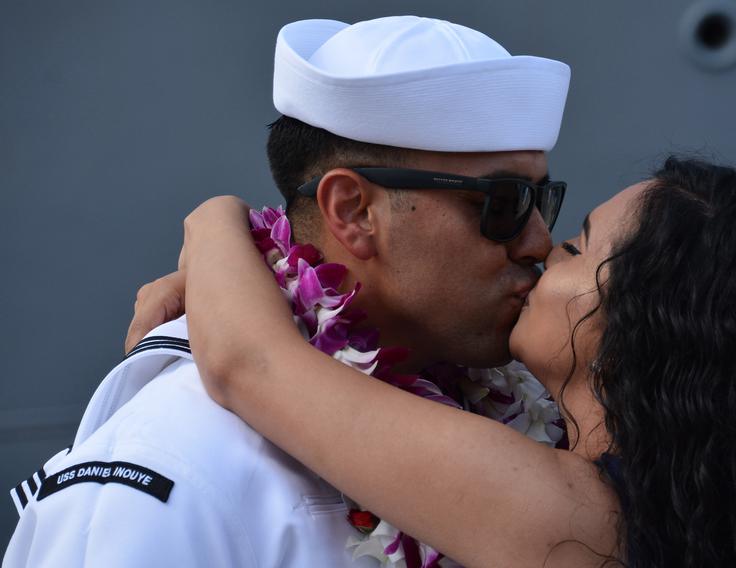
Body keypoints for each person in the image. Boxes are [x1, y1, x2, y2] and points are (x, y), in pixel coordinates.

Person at [129, 158, 736, 567]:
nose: (538, 246)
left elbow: (248, 366)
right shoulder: (683, 513)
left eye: (575, 247)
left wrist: (216, 222)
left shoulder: (573, 520)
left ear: (639, 321)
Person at [3, 15, 570, 567]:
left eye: (543, 201)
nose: (540, 243)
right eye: (504, 203)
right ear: (353, 212)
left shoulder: (529, 407)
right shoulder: (177, 460)